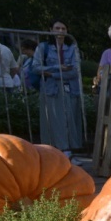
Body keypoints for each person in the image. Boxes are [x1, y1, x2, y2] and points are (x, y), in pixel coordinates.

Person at [35, 21, 85, 158]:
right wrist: (58, 68)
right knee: (52, 120)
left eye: (63, 28)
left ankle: (68, 152)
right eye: (57, 28)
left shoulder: (72, 48)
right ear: (50, 30)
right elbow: (36, 67)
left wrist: (52, 74)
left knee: (69, 119)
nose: (60, 31)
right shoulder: (43, 48)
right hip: (51, 90)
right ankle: (52, 152)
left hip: (69, 89)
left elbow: (75, 71)